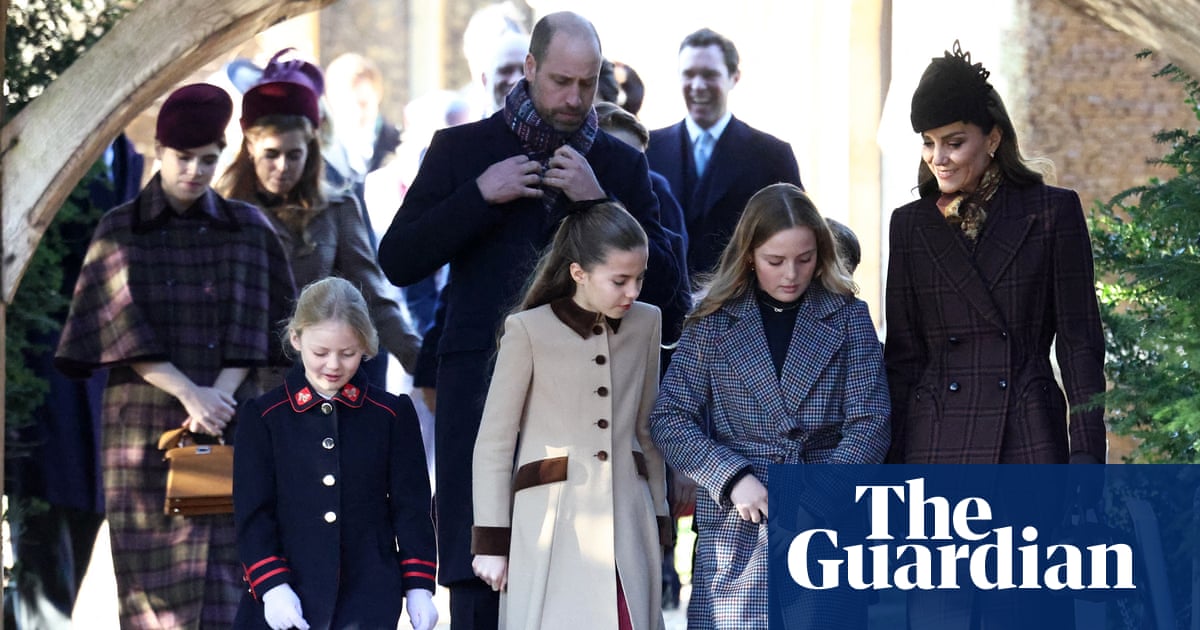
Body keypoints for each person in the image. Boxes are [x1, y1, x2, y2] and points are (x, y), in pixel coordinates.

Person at [377, 11, 687, 629]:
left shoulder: (621, 169)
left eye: (588, 83)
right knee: (480, 577)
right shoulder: (462, 150)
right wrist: (476, 196)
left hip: (585, 424)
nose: (574, 98)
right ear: (529, 70)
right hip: (483, 395)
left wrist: (599, 201)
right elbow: (398, 259)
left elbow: (671, 297)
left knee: (582, 590)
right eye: (560, 81)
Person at [54, 83, 296, 628]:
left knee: (232, 583)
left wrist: (218, 399)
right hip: (145, 431)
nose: (194, 171)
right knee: (150, 595)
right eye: (183, 158)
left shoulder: (248, 229)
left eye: (207, 160)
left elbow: (267, 324)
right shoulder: (121, 228)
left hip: (231, 423)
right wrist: (192, 394)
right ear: (159, 151)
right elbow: (114, 325)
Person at [650, 183, 890, 628]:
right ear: (748, 255)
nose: (791, 274)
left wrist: (813, 504)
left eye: (805, 259)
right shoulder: (712, 322)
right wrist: (731, 477)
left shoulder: (849, 317)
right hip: (737, 522)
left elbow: (870, 424)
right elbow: (669, 416)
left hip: (825, 518)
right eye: (775, 261)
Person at [884, 42, 1106, 467]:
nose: (938, 158)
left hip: (1028, 434)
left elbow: (1080, 346)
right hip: (936, 441)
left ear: (993, 138)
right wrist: (893, 466)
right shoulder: (910, 226)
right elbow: (904, 361)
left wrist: (1087, 455)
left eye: (954, 142)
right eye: (928, 143)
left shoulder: (1051, 212)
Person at [470, 201, 668, 630]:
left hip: (628, 518)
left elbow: (645, 429)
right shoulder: (528, 329)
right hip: (549, 523)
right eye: (619, 280)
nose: (632, 292)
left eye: (639, 278)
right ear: (579, 272)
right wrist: (491, 540)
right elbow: (495, 442)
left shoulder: (647, 323)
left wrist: (659, 513)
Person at [232, 277, 437, 630]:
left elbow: (412, 507)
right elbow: (253, 513)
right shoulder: (265, 416)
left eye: (348, 353)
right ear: (296, 340)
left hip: (368, 596)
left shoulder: (390, 415)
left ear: (367, 346)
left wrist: (419, 584)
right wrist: (272, 585)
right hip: (288, 593)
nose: (334, 365)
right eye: (320, 353)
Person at [215, 49, 421, 390]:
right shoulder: (224, 212)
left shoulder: (337, 208)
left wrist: (419, 359)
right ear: (250, 146)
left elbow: (372, 294)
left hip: (315, 387)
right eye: (271, 154)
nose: (282, 167)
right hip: (238, 389)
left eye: (294, 154)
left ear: (311, 147)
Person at [5, 133, 142, 630]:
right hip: (44, 377)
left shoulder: (130, 155)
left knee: (83, 525)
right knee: (42, 548)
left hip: (99, 392)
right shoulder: (51, 146)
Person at [646, 28, 803, 278]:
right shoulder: (648, 150)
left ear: (734, 77)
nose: (698, 86)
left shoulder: (772, 155)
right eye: (689, 75)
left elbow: (795, 236)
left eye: (710, 75)